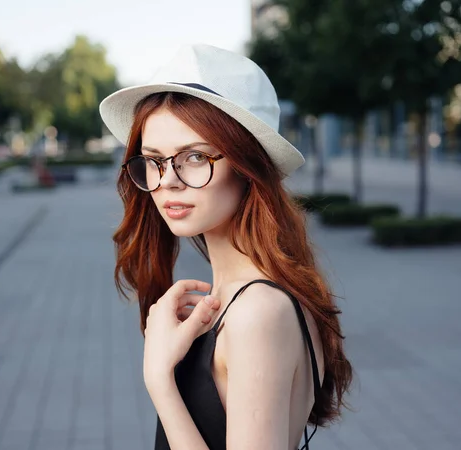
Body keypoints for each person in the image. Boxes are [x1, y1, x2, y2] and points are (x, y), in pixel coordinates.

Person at [99, 44, 353, 450]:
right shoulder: (238, 298)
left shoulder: (258, 311)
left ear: (247, 165)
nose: (168, 181)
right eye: (154, 160)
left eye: (195, 156)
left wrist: (161, 382)